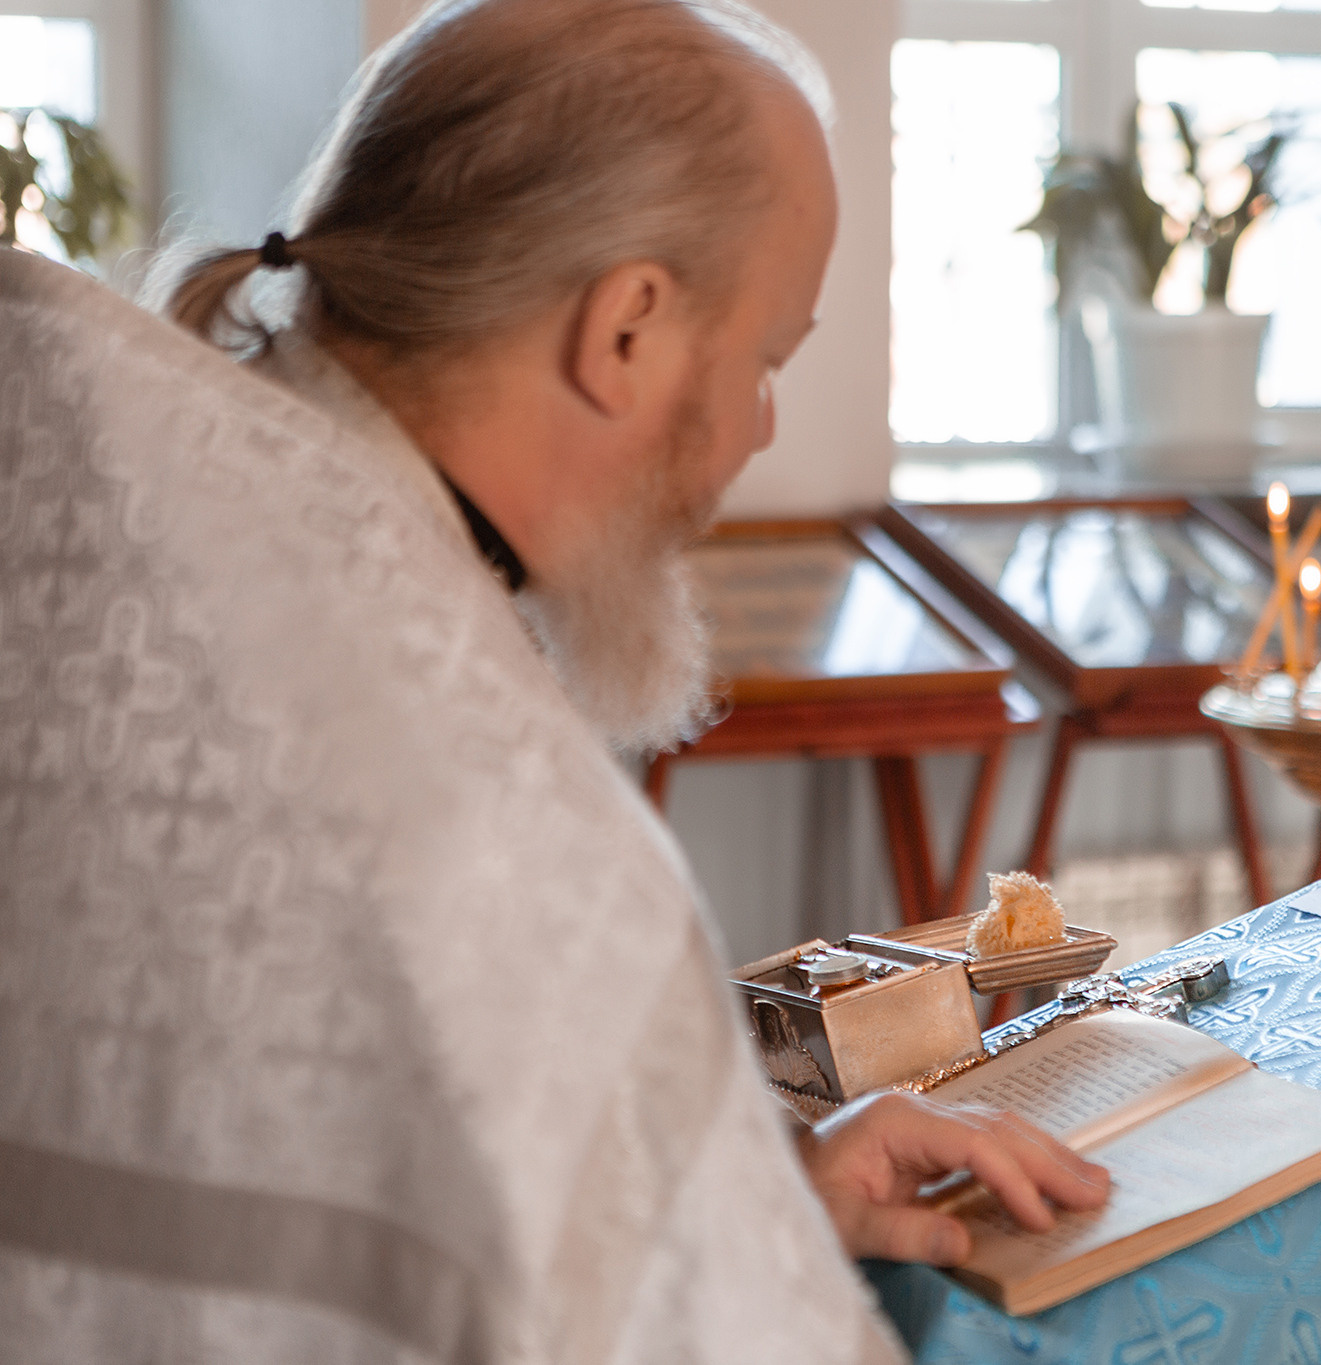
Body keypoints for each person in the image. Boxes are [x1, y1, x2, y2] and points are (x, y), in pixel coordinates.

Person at [0, 0, 1104, 1360]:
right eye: (766, 360)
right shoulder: (518, 844)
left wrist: (747, 1180)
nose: (761, 426)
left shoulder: (56, 410)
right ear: (628, 329)